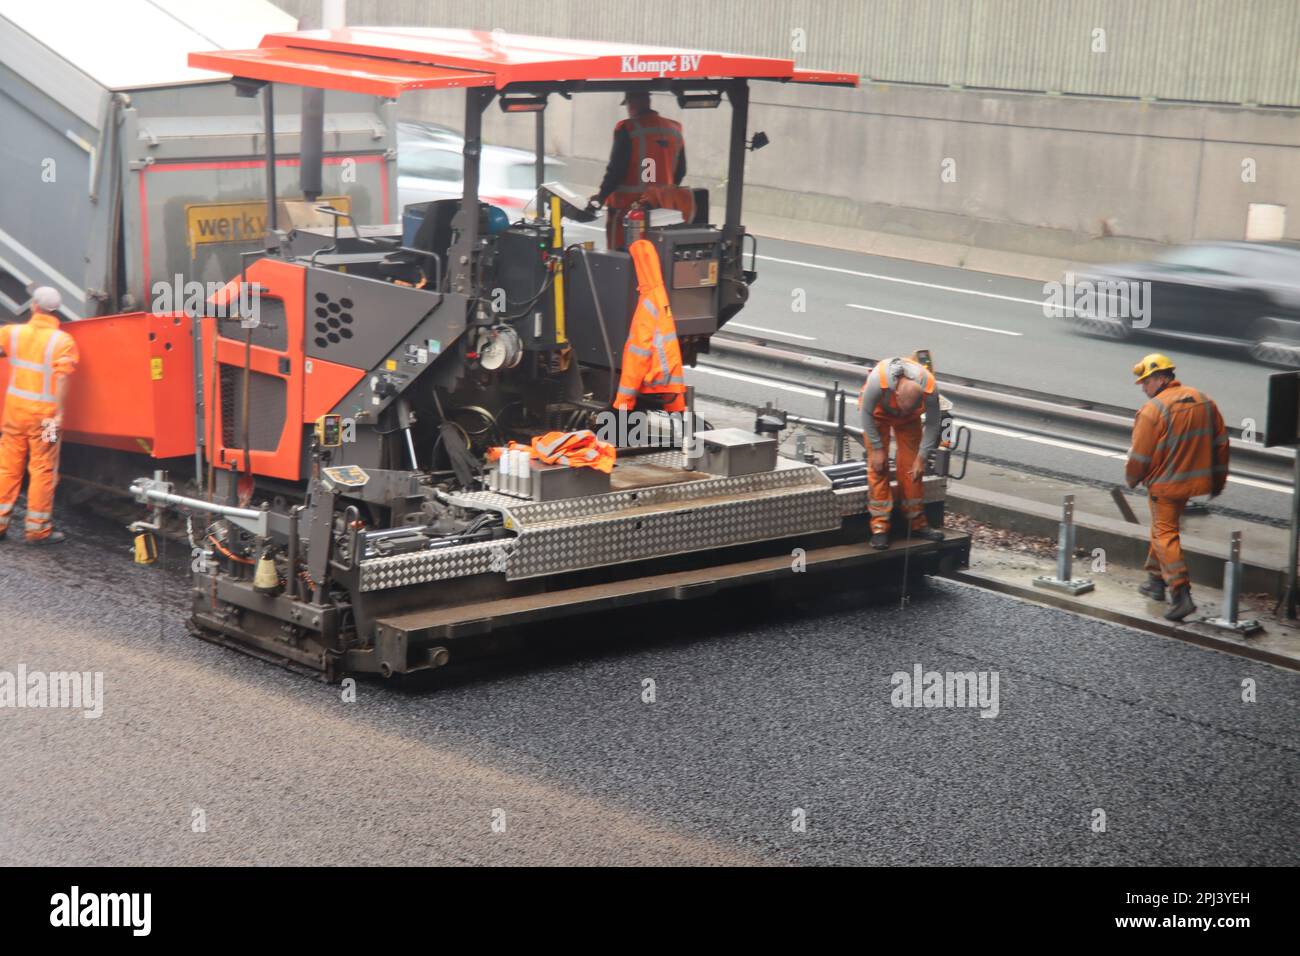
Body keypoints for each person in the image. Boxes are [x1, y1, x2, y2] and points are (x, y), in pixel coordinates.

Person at [1125, 353, 1229, 621]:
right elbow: (1221, 444)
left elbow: (1139, 456)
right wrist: (1218, 481)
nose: (1143, 387)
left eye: (1145, 382)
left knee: (1164, 533)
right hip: (1193, 482)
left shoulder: (1153, 410)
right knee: (1162, 527)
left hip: (1167, 485)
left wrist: (1132, 478)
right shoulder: (1204, 400)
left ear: (1161, 379)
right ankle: (1155, 582)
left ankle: (1181, 594)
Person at [0, 286, 79, 544]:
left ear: (34, 306)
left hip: (14, 413)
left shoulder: (11, 333)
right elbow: (63, 377)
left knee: (8, 467)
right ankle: (37, 530)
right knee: (43, 468)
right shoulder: (63, 341)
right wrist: (59, 413)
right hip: (47, 418)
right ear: (56, 311)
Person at [859, 356, 945, 550]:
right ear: (896, 394)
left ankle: (917, 522)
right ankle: (880, 528)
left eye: (913, 407)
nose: (906, 411)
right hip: (877, 415)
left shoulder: (930, 388)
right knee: (878, 467)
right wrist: (878, 449)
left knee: (912, 468)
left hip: (909, 422)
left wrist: (922, 458)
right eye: (905, 407)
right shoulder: (877, 380)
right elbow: (865, 413)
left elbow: (933, 424)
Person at [587, 89, 686, 250]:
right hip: (662, 211)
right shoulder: (674, 129)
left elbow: (616, 171)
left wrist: (600, 197)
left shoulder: (628, 129)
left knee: (621, 260)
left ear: (632, 103)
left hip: (628, 211)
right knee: (657, 257)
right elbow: (680, 172)